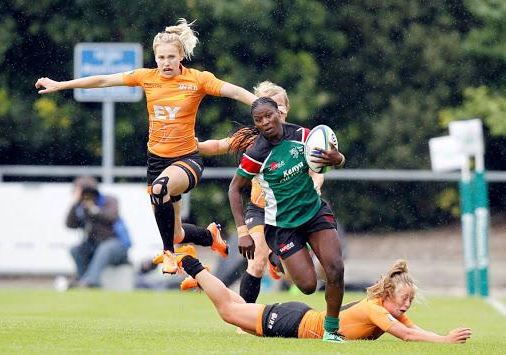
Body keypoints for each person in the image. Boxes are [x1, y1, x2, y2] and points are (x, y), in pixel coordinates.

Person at [35, 19, 258, 274]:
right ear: (155, 57)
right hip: (156, 162)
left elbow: (236, 92)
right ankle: (209, 236)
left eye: (171, 57)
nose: (165, 62)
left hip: (187, 160)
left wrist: (262, 106)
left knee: (161, 190)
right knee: (176, 232)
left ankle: (168, 255)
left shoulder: (198, 80)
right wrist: (61, 85)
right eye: (161, 57)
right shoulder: (146, 78)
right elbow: (103, 81)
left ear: (181, 56)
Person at [228, 97, 346, 342]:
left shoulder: (303, 136)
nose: (265, 122)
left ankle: (331, 330)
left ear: (279, 114)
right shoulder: (256, 154)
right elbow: (233, 189)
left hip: (314, 213)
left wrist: (338, 160)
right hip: (282, 226)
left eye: (269, 116)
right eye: (258, 120)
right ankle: (276, 257)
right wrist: (243, 232)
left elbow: (331, 159)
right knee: (307, 286)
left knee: (335, 268)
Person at [198, 81, 324, 303]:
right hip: (260, 210)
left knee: (301, 280)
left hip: (290, 213)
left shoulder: (300, 136)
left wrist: (316, 184)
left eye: (279, 106)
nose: (273, 112)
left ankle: (277, 260)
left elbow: (317, 170)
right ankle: (245, 318)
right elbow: (218, 146)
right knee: (256, 263)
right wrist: (191, 145)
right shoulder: (251, 139)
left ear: (285, 109)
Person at [177, 250, 472, 343]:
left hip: (300, 317)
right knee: (230, 312)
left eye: (410, 300)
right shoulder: (375, 309)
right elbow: (406, 337)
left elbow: (412, 329)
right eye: (404, 299)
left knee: (239, 310)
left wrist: (439, 336)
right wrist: (445, 340)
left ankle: (203, 282)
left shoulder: (388, 310)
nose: (407, 305)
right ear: (388, 295)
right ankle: (193, 264)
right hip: (294, 322)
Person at [66, 176, 131, 288]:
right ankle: (83, 280)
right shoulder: (81, 207)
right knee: (75, 250)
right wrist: (75, 204)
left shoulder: (109, 200)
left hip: (117, 246)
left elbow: (112, 216)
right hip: (95, 247)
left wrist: (94, 209)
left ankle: (92, 281)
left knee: (105, 248)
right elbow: (70, 224)